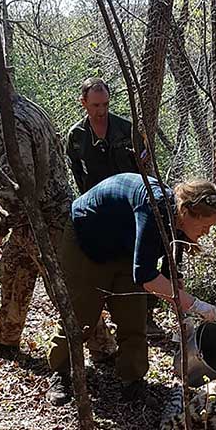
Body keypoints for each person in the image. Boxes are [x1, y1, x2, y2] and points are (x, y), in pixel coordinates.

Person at [0, 57, 115, 359]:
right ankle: (6, 336)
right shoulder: (21, 110)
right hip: (26, 224)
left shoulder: (13, 122)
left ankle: (101, 347)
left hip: (46, 223)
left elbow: (18, 184)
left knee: (67, 289)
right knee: (13, 271)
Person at [46, 173, 216, 405]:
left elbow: (167, 262)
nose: (206, 233)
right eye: (205, 225)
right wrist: (194, 304)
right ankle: (60, 372)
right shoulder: (154, 207)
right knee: (81, 314)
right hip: (88, 241)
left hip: (126, 249)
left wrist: (175, 286)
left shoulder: (179, 221)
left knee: (133, 315)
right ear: (187, 212)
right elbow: (146, 276)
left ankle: (132, 379)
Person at [66, 76, 164, 340]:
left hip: (131, 209)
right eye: (96, 105)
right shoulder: (76, 136)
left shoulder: (126, 130)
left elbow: (145, 168)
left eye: (105, 104)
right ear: (84, 103)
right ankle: (104, 317)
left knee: (141, 259)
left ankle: (146, 316)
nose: (101, 110)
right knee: (101, 262)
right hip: (99, 212)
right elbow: (78, 175)